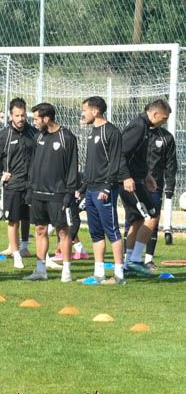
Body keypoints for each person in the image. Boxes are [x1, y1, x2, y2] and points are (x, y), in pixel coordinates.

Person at [24, 102, 79, 282]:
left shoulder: (67, 138)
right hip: (38, 193)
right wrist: (30, 188)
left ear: (46, 118)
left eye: (36, 119)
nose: (34, 123)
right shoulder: (38, 136)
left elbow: (72, 167)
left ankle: (67, 271)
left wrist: (69, 193)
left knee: (63, 231)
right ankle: (41, 270)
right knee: (40, 230)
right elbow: (33, 164)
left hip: (58, 194)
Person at [77, 96, 126, 284]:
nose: (83, 114)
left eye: (85, 110)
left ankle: (119, 275)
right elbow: (91, 164)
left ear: (95, 111)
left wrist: (107, 187)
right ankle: (99, 274)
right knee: (95, 232)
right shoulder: (92, 133)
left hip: (104, 190)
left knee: (112, 231)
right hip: (91, 189)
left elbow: (115, 162)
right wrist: (82, 188)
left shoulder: (111, 132)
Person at [121, 99, 172, 277]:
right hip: (129, 180)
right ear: (155, 114)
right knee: (152, 215)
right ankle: (135, 260)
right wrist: (126, 176)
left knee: (136, 220)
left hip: (137, 178)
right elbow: (121, 153)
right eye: (163, 119)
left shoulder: (144, 127)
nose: (163, 122)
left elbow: (137, 156)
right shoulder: (138, 126)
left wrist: (147, 175)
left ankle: (127, 264)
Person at [0, 97, 34, 269]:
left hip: (31, 185)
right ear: (11, 116)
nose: (21, 119)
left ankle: (25, 247)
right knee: (13, 220)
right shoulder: (3, 137)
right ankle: (16, 254)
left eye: (23, 115)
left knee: (27, 217)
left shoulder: (33, 133)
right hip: (13, 186)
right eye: (17, 116)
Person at [142, 119, 177, 269]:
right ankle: (127, 257)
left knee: (153, 219)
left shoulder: (166, 137)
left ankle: (148, 259)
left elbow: (171, 164)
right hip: (136, 184)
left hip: (155, 186)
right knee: (133, 220)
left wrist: (170, 187)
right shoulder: (139, 133)